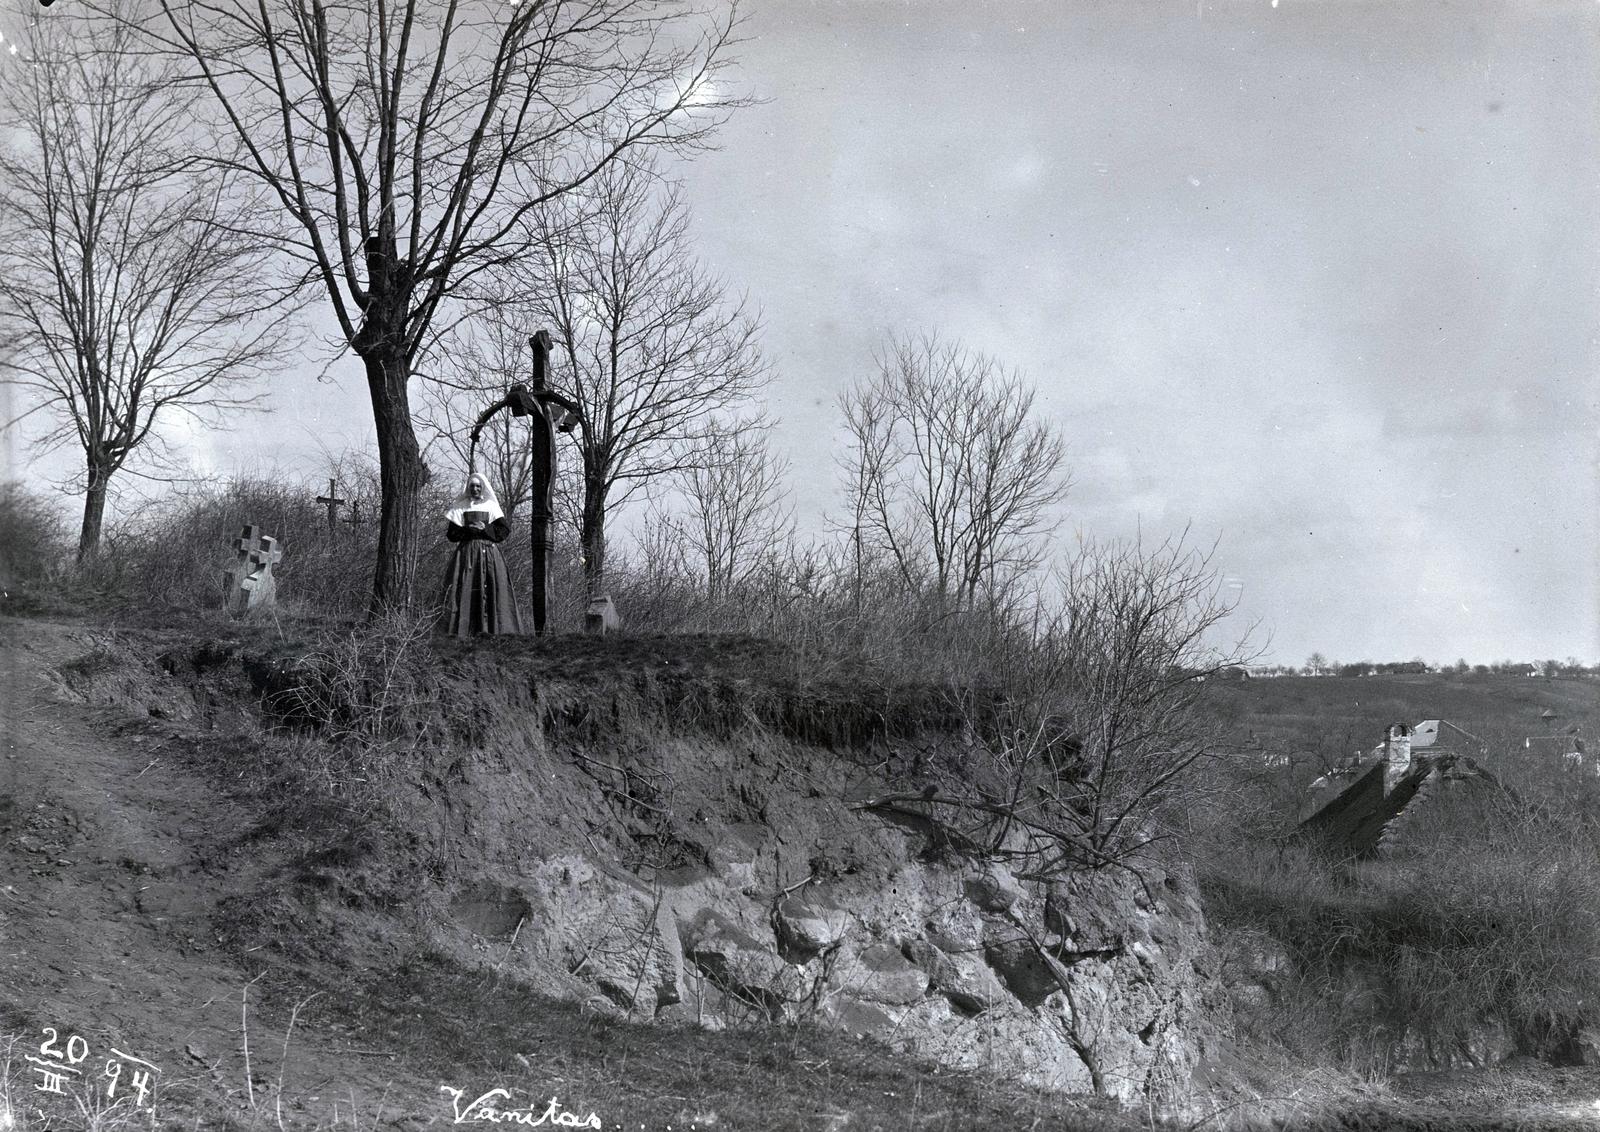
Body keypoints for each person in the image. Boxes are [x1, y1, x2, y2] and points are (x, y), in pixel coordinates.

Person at [441, 472, 524, 637]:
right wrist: (468, 529)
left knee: (491, 588)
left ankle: (493, 630)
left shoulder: (491, 507)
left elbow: (504, 531)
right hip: (466, 555)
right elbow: (451, 535)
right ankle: (464, 631)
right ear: (468, 488)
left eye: (478, 486)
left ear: (483, 488)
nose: (475, 489)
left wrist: (485, 529)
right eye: (472, 486)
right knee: (464, 589)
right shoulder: (461, 506)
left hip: (489, 556)